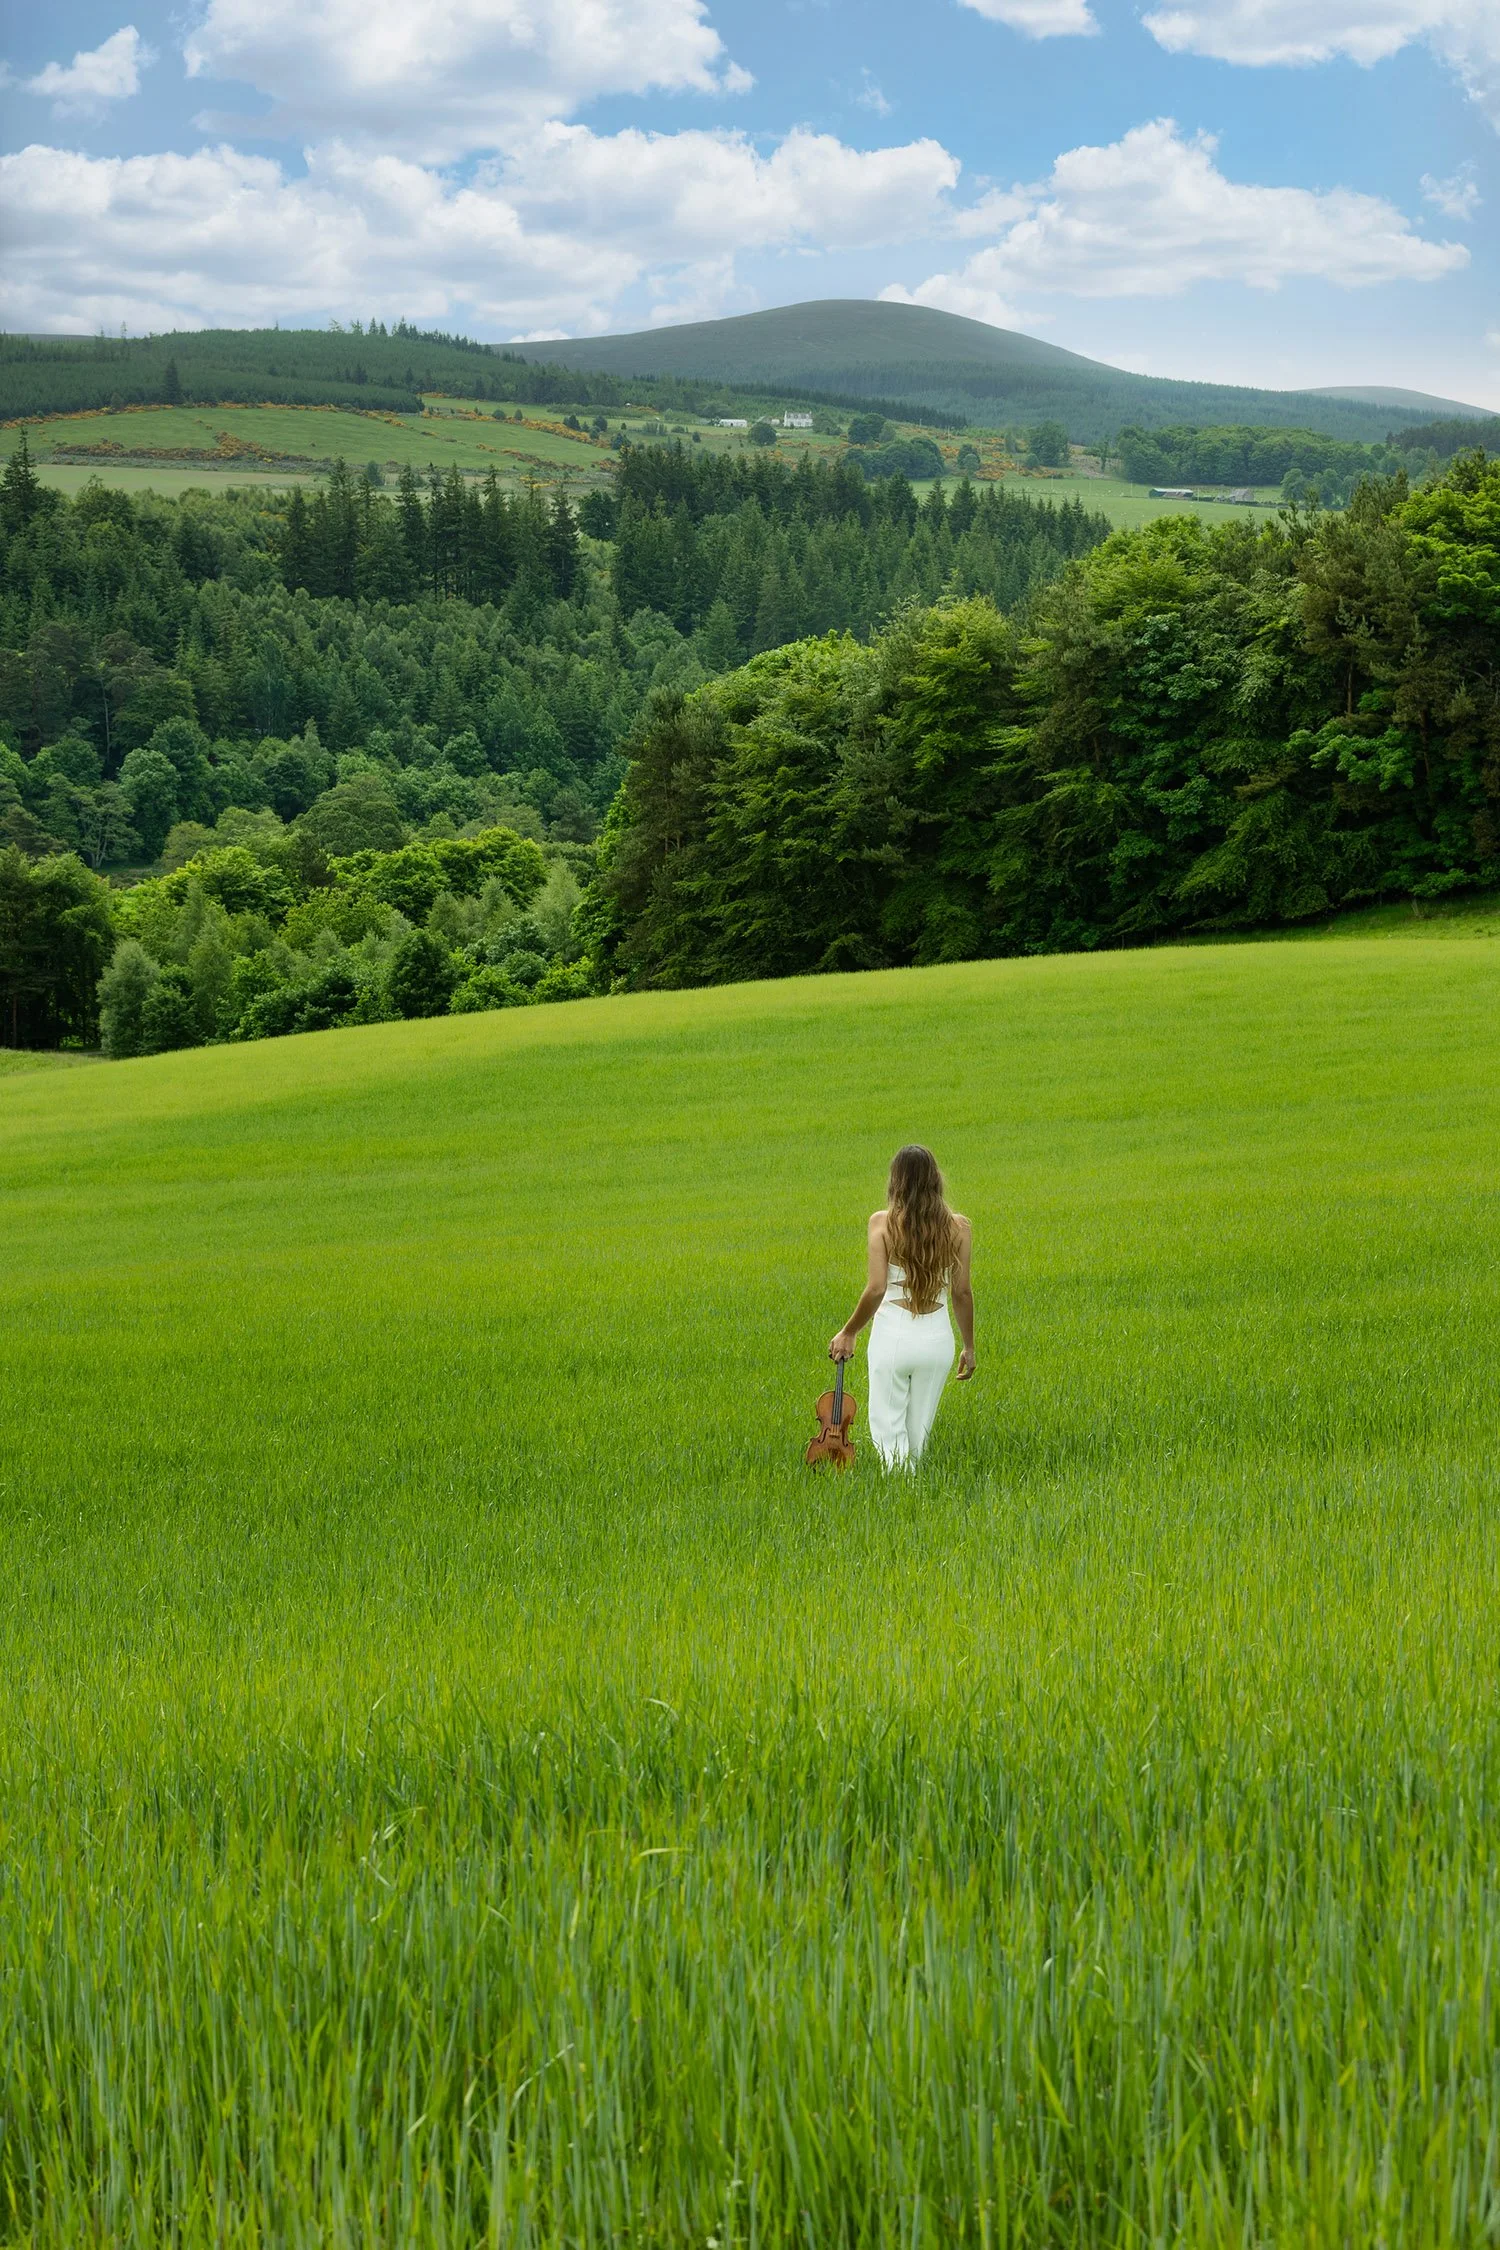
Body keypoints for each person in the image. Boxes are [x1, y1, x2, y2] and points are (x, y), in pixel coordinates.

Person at [829, 1145, 974, 1468]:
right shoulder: (959, 1228)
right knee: (916, 1436)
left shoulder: (882, 1224)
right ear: (936, 1179)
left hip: (893, 1337)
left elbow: (877, 1288)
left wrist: (848, 1332)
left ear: (896, 1181)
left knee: (887, 1431)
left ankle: (900, 1500)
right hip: (937, 1341)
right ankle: (915, 1501)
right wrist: (969, 1346)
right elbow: (961, 1292)